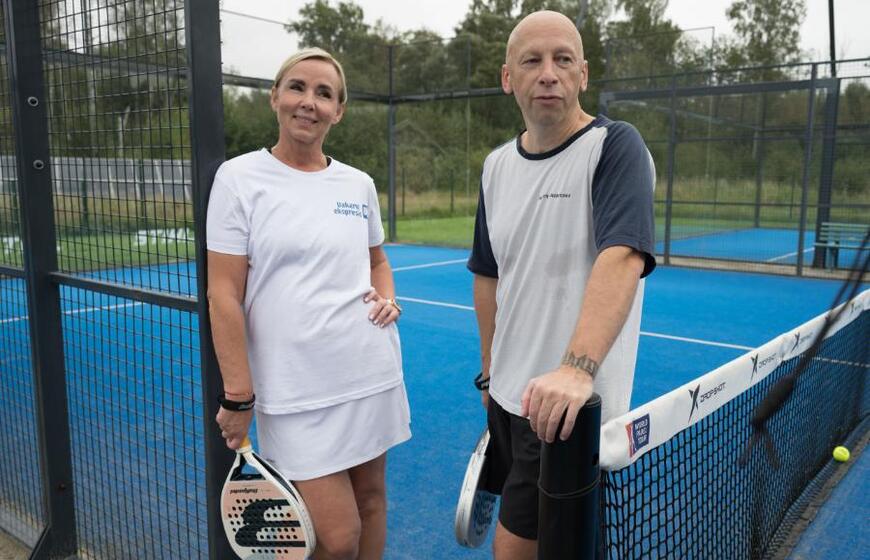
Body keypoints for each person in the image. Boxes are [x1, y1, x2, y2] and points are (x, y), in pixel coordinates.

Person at [206, 47, 410, 560]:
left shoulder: (358, 184)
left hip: (369, 372)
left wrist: (387, 296)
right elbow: (223, 293)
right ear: (275, 96)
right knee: (337, 540)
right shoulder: (238, 179)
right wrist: (238, 396)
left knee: (371, 502)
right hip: (294, 389)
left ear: (338, 111)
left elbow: (378, 260)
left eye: (324, 93)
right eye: (297, 87)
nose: (309, 102)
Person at [467, 11, 656, 560]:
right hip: (509, 401)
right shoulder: (495, 166)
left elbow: (623, 256)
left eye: (562, 59)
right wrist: (489, 373)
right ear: (509, 78)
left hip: (568, 412)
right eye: (532, 60)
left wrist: (576, 370)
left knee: (516, 551)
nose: (548, 73)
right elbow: (489, 274)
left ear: (582, 74)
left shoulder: (615, 146)